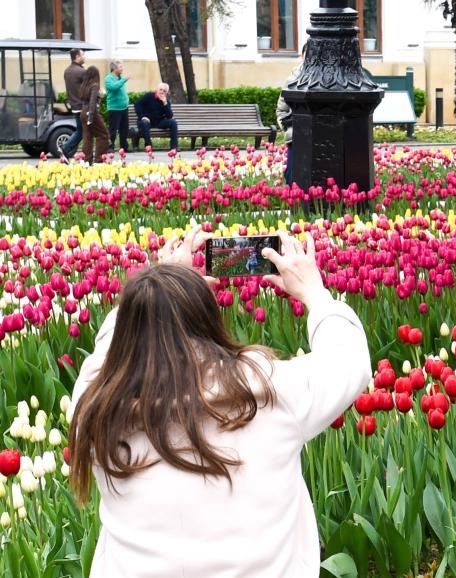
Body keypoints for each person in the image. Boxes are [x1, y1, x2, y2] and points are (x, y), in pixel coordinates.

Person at [67, 228, 372, 577]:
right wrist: (314, 293)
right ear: (207, 320)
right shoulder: (269, 394)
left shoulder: (96, 414)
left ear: (127, 332)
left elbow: (103, 358)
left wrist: (155, 297)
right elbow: (348, 361)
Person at [276, 42, 307, 185]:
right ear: (302, 56)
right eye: (307, 55)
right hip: (296, 135)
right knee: (292, 175)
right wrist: (287, 127)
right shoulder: (293, 78)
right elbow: (281, 110)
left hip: (320, 136)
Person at [61, 48, 88, 161]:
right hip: (83, 106)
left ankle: (67, 149)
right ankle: (66, 149)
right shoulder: (81, 71)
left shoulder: (67, 71)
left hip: (75, 106)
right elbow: (89, 88)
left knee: (82, 131)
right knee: (85, 132)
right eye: (83, 55)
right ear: (77, 57)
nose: (84, 57)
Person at [134, 82, 179, 151]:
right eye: (160, 89)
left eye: (164, 91)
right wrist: (142, 117)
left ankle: (174, 147)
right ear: (157, 89)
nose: (162, 92)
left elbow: (169, 116)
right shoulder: (149, 96)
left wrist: (165, 103)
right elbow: (137, 104)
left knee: (173, 122)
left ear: (166, 93)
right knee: (144, 123)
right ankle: (148, 145)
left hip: (159, 122)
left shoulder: (165, 101)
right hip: (147, 121)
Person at [79, 66, 109, 165]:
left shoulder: (84, 85)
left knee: (87, 137)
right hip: (91, 112)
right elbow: (92, 101)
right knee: (103, 134)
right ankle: (99, 160)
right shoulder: (95, 85)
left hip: (83, 111)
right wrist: (91, 115)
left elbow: (85, 99)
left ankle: (87, 161)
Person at [105, 60, 131, 152]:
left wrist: (126, 100)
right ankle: (110, 147)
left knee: (124, 129)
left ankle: (124, 147)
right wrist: (124, 80)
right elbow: (114, 87)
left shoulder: (121, 77)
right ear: (114, 69)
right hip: (114, 109)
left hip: (124, 108)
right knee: (113, 129)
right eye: (120, 67)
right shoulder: (108, 79)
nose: (122, 69)